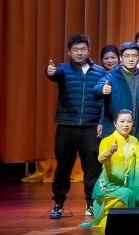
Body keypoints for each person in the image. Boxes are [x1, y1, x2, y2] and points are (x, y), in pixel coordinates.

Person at [45, 33, 106, 219]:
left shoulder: (100, 72)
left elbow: (104, 101)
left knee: (92, 168)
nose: (79, 53)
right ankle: (58, 203)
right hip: (67, 125)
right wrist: (50, 71)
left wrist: (101, 122)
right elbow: (54, 74)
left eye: (83, 49)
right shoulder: (63, 69)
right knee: (63, 166)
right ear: (69, 52)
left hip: (90, 126)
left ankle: (91, 203)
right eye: (76, 50)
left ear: (89, 50)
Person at [84, 109, 137, 228]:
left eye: (129, 121)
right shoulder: (107, 140)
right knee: (127, 194)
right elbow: (100, 159)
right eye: (122, 121)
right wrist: (109, 152)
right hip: (110, 184)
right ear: (115, 123)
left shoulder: (134, 141)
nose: (126, 124)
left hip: (128, 183)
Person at [102, 41, 139, 139]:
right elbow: (96, 88)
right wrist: (102, 89)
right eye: (127, 56)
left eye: (134, 56)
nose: (131, 59)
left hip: (138, 131)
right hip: (115, 130)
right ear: (121, 58)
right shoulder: (112, 75)